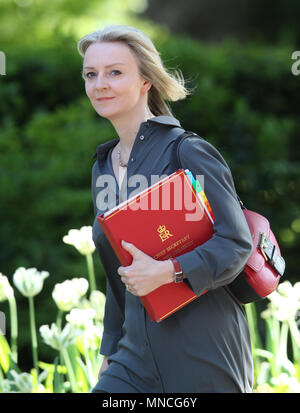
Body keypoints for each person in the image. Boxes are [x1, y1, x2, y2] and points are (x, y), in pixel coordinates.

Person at [77, 24, 254, 393]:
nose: (100, 84)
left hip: (203, 343)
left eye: (115, 72)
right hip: (133, 356)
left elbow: (236, 243)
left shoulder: (186, 151)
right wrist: (110, 350)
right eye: (91, 74)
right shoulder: (103, 165)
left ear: (146, 81)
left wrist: (170, 271)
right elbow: (118, 271)